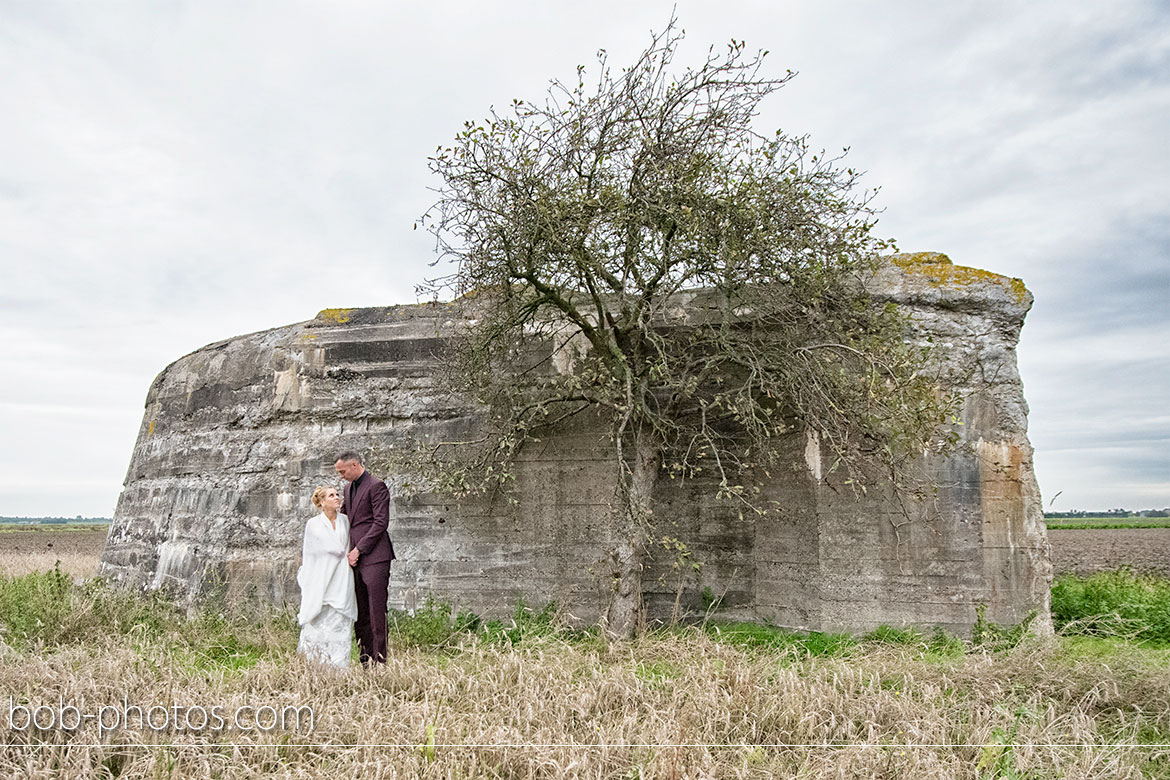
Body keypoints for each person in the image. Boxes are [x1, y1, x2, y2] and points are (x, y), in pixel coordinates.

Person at [335, 451, 396, 665]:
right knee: (360, 612)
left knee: (376, 611)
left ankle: (380, 661)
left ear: (354, 464)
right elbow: (344, 519)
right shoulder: (347, 489)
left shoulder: (376, 486)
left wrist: (359, 549)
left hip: (376, 557)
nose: (341, 475)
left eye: (343, 471)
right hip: (354, 560)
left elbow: (381, 523)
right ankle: (365, 660)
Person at [296, 486, 357, 667]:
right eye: (331, 495)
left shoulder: (345, 521)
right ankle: (316, 666)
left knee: (340, 627)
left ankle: (339, 668)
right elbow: (320, 552)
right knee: (319, 627)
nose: (337, 497)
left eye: (337, 494)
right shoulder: (314, 525)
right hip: (321, 581)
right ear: (322, 502)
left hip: (342, 579)